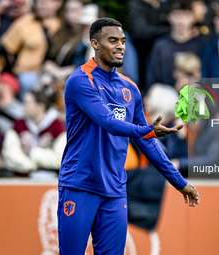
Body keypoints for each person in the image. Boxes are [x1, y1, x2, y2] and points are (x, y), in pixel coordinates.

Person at [57, 18, 200, 254]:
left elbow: (148, 143)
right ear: (95, 43)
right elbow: (109, 123)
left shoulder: (130, 88)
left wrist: (179, 182)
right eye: (112, 40)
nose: (120, 46)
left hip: (114, 190)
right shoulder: (80, 81)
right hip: (80, 185)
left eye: (122, 41)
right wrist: (148, 130)